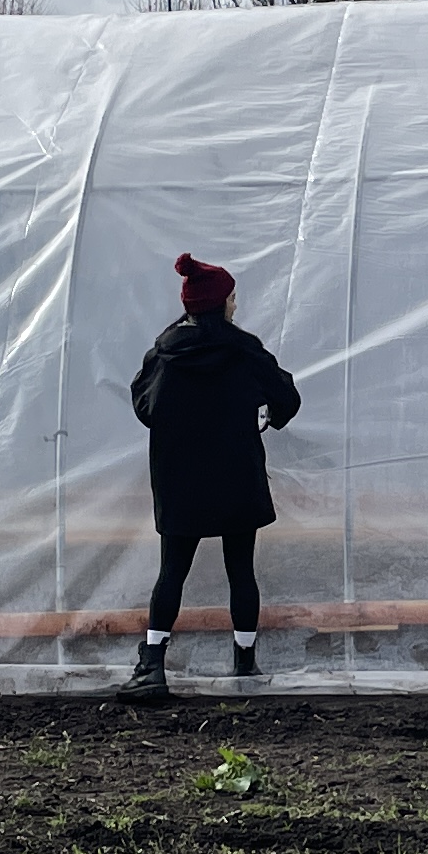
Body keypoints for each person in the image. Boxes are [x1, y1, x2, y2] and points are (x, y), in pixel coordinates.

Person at [122, 254, 299, 695]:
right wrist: (262, 417)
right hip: (236, 477)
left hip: (180, 479)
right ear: (220, 303)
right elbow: (287, 396)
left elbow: (145, 406)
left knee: (172, 572)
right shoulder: (243, 349)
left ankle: (152, 666)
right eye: (233, 297)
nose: (236, 304)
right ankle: (245, 664)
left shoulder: (164, 352)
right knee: (240, 570)